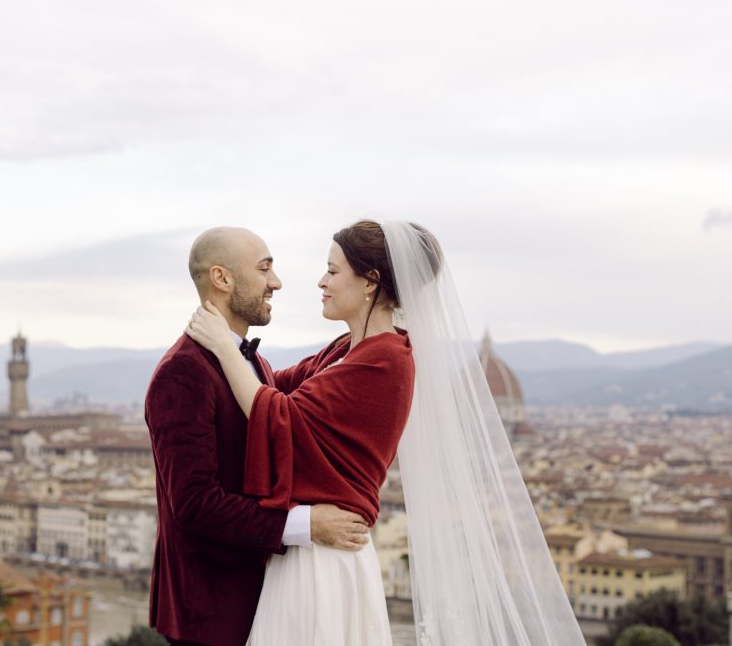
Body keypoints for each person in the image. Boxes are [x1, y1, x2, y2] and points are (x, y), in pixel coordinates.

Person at [186, 220, 587, 645]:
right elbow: (273, 383)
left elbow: (278, 414)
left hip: (322, 561)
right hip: (310, 550)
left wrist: (224, 346)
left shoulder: (387, 360)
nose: (321, 281)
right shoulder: (348, 348)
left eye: (333, 271)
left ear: (370, 283)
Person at [145, 226, 370, 646]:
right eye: (265, 268)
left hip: (258, 601)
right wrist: (307, 524)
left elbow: (299, 384)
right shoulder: (183, 372)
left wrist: (370, 327)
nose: (276, 282)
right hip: (211, 614)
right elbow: (194, 504)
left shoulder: (251, 363)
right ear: (222, 279)